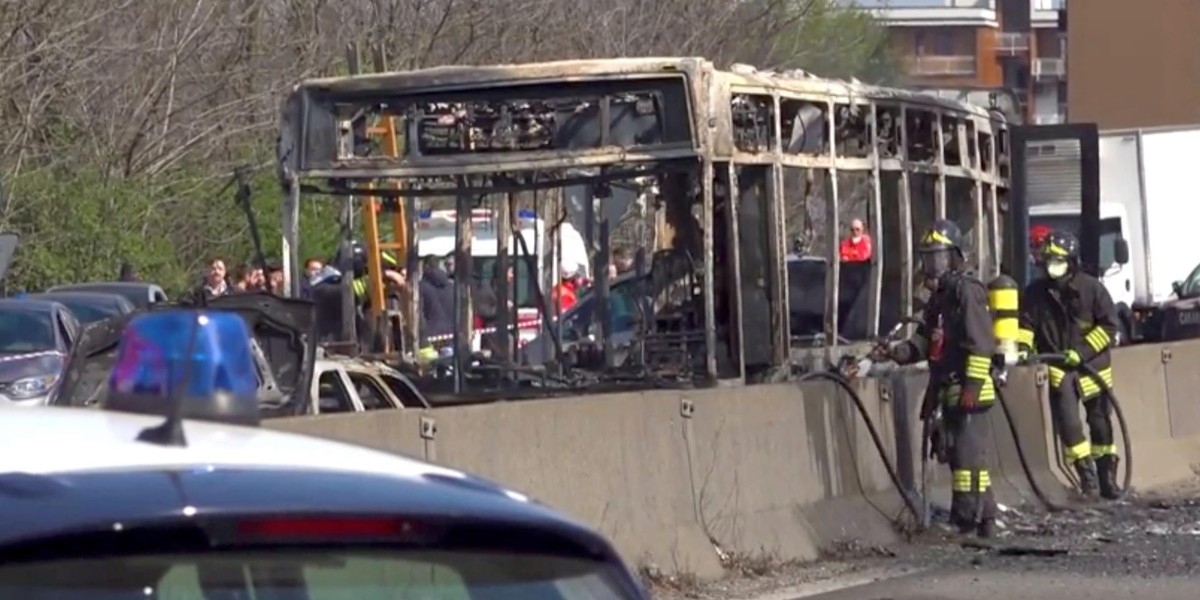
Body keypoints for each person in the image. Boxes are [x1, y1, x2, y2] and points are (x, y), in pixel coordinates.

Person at [883, 219, 997, 537]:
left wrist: (971, 388)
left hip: (969, 389)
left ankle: (965, 522)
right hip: (948, 389)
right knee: (965, 459)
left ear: (956, 257)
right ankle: (985, 519)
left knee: (966, 462)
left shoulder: (967, 292)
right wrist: (896, 351)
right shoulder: (939, 299)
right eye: (928, 257)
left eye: (939, 257)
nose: (932, 265)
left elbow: (981, 344)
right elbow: (924, 342)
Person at [1017, 229, 1122, 500]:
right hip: (1059, 370)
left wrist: (1082, 352)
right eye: (1048, 259)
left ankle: (1107, 478)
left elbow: (1110, 327)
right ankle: (1088, 480)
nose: (1051, 265)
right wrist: (1024, 347)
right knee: (1070, 427)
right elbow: (1026, 325)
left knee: (1100, 425)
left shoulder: (1092, 289)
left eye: (1058, 260)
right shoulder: (1035, 294)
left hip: (1093, 369)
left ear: (1071, 262)